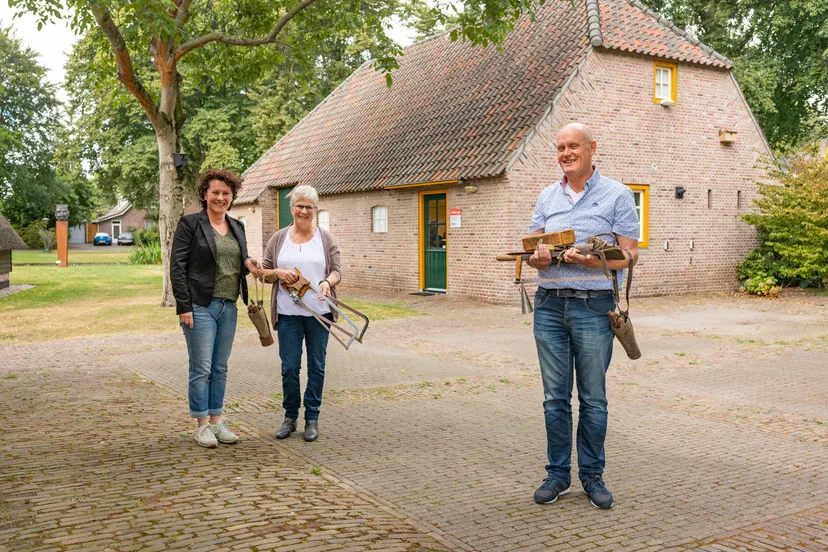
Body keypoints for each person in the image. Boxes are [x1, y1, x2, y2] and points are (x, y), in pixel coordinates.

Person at [527, 123, 640, 509]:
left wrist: (592, 261)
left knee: (593, 398)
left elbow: (629, 255)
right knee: (554, 398)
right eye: (560, 147)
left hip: (594, 307)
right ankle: (557, 474)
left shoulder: (618, 194)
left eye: (573, 146)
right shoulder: (546, 195)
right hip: (549, 304)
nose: (565, 153)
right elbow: (531, 250)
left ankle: (592, 476)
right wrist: (536, 256)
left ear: (592, 148)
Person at [171, 169, 261, 448]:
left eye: (226, 193)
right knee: (202, 368)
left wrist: (250, 264)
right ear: (205, 195)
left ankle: (217, 421)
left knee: (220, 368)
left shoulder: (237, 226)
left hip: (229, 306)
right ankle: (201, 425)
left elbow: (236, 262)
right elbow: (177, 267)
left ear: (232, 197)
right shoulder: (190, 224)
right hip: (199, 306)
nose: (221, 197)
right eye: (215, 193)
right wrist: (183, 305)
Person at [261, 185, 341, 442]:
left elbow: (337, 270)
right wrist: (277, 273)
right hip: (288, 314)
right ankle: (290, 416)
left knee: (316, 367)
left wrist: (328, 282)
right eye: (300, 206)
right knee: (289, 368)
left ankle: (312, 418)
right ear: (291, 208)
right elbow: (263, 272)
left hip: (319, 313)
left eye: (309, 207)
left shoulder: (325, 238)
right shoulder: (278, 238)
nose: (304, 211)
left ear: (315, 210)